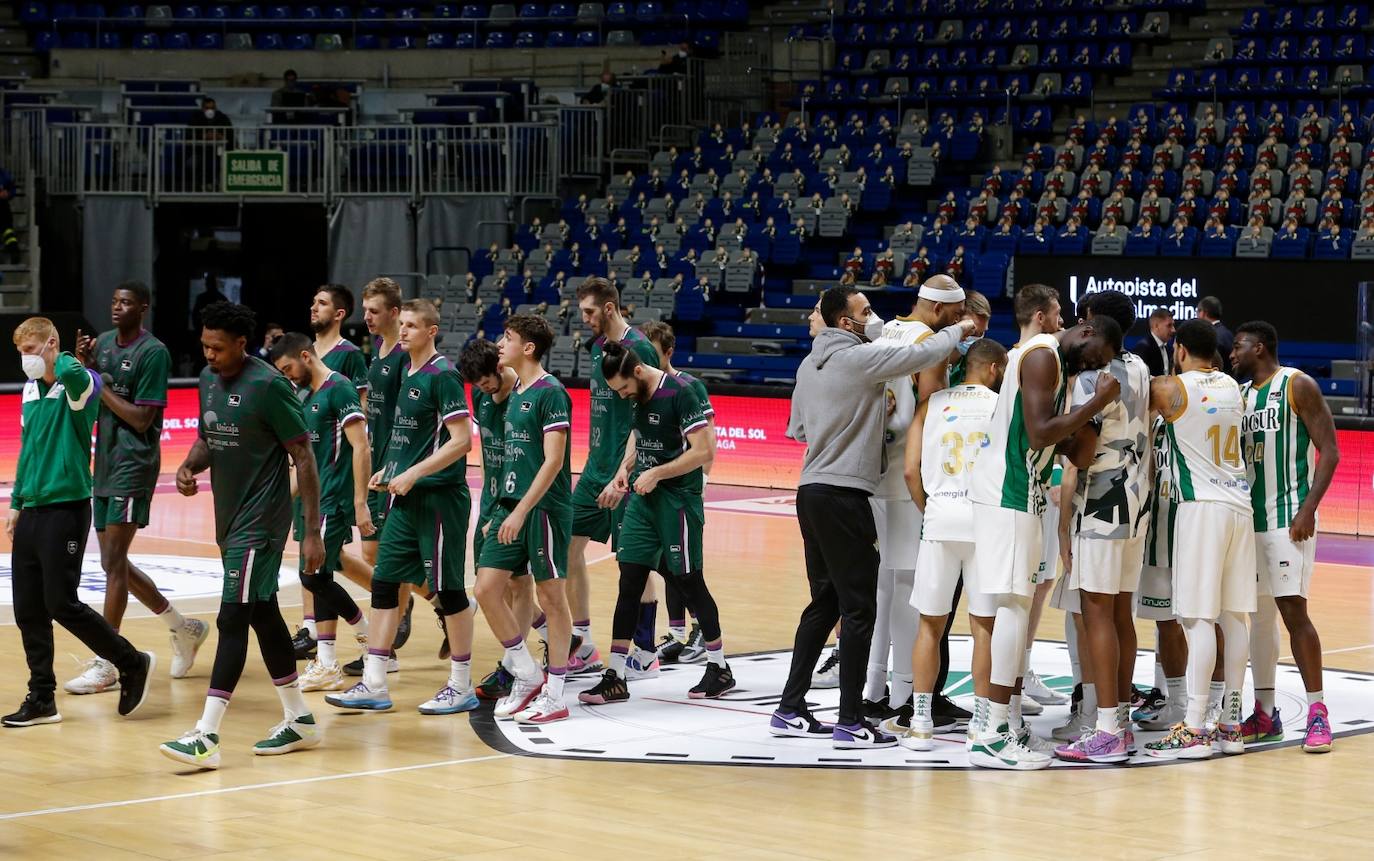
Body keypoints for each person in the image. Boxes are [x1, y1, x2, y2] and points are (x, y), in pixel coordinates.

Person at [774, 285, 977, 749]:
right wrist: (962, 328)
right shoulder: (861, 359)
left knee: (822, 602)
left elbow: (799, 428)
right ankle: (850, 720)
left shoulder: (809, 365)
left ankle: (789, 708)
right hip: (847, 496)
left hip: (810, 490)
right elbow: (925, 352)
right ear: (846, 323)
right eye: (865, 311)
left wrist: (862, 411)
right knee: (860, 608)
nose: (874, 317)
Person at [159, 301, 322, 768]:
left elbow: (304, 458)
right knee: (264, 615)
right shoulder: (209, 381)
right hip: (228, 521)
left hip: (262, 523)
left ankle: (206, 734)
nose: (208, 355)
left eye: (217, 347)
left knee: (232, 618)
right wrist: (190, 464)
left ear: (241, 345)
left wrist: (312, 533)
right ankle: (299, 719)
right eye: (204, 346)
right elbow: (212, 436)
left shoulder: (269, 385)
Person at [965, 284, 1119, 770]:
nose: (1100, 366)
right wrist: (1095, 406)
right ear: (1084, 331)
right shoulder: (1041, 356)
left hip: (1021, 490)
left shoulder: (1060, 367)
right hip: (1009, 489)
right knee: (1012, 610)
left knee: (1015, 608)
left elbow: (1074, 447)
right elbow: (1037, 432)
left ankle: (1001, 723)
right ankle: (990, 733)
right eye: (1101, 355)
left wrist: (1084, 418)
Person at [325, 299, 475, 716]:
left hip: (441, 499)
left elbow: (461, 440)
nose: (403, 330)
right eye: (402, 324)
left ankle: (461, 685)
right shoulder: (403, 373)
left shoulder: (443, 375)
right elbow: (403, 437)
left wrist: (415, 474)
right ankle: (374, 681)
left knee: (448, 590)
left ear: (432, 331)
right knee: (386, 584)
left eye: (412, 325)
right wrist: (389, 472)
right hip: (403, 497)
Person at [4, 318, 156, 728]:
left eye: (33, 349)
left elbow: (77, 372)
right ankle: (42, 698)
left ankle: (131, 662)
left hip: (66, 508)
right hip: (33, 507)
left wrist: (62, 356)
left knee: (61, 603)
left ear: (52, 344)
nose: (26, 360)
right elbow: (29, 450)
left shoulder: (80, 384)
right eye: (21, 352)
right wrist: (17, 502)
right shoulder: (30, 390)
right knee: (28, 609)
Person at [64, 282, 207, 697]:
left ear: (142, 308)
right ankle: (183, 626)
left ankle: (110, 661)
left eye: (125, 302)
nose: (117, 307)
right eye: (113, 301)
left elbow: (142, 420)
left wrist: (96, 381)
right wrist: (83, 366)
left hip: (134, 464)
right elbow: (86, 398)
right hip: (104, 462)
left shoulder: (153, 353)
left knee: (112, 562)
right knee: (117, 563)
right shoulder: (104, 342)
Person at [579, 342, 731, 704]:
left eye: (623, 388)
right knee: (629, 579)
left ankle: (719, 667)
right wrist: (622, 473)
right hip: (643, 501)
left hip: (678, 500)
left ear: (637, 371)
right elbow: (638, 436)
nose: (622, 395)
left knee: (689, 581)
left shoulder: (683, 391)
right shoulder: (634, 396)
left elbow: (703, 451)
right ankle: (615, 675)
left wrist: (658, 474)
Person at [1143, 319, 1255, 760]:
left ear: (1181, 350)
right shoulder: (1233, 386)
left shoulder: (1171, 389)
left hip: (1200, 510)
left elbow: (1137, 399)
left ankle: (1193, 726)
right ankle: (1230, 724)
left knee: (1196, 618)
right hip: (1239, 507)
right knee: (1233, 618)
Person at [866, 275, 971, 733]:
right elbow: (932, 410)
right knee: (913, 588)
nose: (960, 323)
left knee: (885, 585)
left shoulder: (888, 329)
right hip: (908, 474)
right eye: (957, 313)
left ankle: (873, 689)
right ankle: (908, 693)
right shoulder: (927, 341)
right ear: (941, 309)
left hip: (875, 469)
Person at [1054, 291, 1152, 765]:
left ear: (1093, 324)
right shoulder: (1140, 368)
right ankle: (1124, 723)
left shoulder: (1091, 377)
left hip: (1102, 505)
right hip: (1138, 504)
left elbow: (1083, 452)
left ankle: (1107, 728)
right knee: (1121, 614)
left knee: (1095, 610)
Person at [1232, 321, 1338, 753]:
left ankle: (1317, 712)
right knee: (1257, 618)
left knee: (1294, 613)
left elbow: (1329, 450)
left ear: (1260, 347)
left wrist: (1308, 508)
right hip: (1246, 522)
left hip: (1286, 518)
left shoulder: (1297, 385)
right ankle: (1265, 712)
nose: (1232, 353)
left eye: (1238, 347)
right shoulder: (1239, 396)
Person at [899, 338, 1008, 750]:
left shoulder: (931, 403)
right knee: (984, 627)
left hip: (941, 517)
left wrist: (930, 507)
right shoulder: (1001, 406)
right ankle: (981, 724)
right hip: (985, 521)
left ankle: (921, 723)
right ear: (995, 368)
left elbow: (910, 471)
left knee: (930, 624)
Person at [473, 314, 576, 723]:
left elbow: (553, 462)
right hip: (510, 506)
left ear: (527, 347)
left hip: (544, 508)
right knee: (486, 589)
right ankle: (526, 673)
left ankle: (555, 693)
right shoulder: (515, 393)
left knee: (551, 598)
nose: (501, 343)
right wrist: (501, 507)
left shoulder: (552, 393)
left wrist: (519, 510)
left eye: (508, 337)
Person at [269, 333, 374, 693]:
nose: (287, 376)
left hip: (334, 499)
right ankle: (327, 663)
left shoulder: (339, 388)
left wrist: (360, 503)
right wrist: (281, 503)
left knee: (313, 577)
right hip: (312, 503)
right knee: (320, 575)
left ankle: (369, 634)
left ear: (305, 356)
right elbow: (302, 464)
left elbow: (361, 447)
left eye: (288, 368)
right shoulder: (305, 396)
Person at [569, 277, 661, 677]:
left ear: (609, 308)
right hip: (593, 470)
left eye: (589, 311)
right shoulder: (596, 349)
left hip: (627, 472)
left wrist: (626, 470)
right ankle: (582, 642)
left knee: (633, 562)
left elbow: (649, 417)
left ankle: (645, 650)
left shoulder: (638, 348)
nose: (584, 319)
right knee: (565, 549)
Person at [461, 338, 536, 702]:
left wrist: (512, 510)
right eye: (476, 384)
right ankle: (562, 638)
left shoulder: (525, 396)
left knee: (517, 585)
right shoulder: (481, 398)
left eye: (486, 380)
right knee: (500, 587)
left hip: (517, 502)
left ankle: (514, 668)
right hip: (490, 500)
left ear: (500, 367)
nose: (483, 388)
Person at [640, 320, 718, 664]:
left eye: (652, 353)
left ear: (668, 352)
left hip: (682, 491)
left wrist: (701, 481)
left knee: (684, 564)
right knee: (664, 562)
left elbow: (707, 442)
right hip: (653, 492)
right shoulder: (645, 389)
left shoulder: (689, 387)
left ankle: (700, 629)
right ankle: (676, 633)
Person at [1131, 308, 1175, 376]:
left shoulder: (1169, 348)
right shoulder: (1143, 348)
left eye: (1173, 325)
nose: (1173, 330)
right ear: (1156, 326)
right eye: (1169, 325)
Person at [1197, 296, 1233, 372]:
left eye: (1197, 312)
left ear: (1203, 313)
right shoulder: (1228, 333)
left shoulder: (1209, 337)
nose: (1197, 316)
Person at [0, 164, 20, 262]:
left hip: (2, 206)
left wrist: (7, 193)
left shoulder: (3, 174)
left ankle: (14, 251)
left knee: (8, 231)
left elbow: (12, 189)